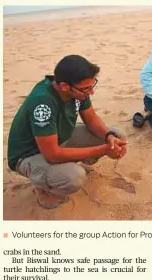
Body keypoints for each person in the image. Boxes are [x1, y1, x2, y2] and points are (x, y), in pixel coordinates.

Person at [7, 55, 127, 209]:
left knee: (117, 135)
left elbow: (91, 118)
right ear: (64, 86)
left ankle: (62, 167)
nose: (91, 92)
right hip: (29, 154)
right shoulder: (43, 102)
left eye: (92, 86)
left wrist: (109, 137)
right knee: (74, 177)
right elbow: (52, 154)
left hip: (58, 138)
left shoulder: (78, 89)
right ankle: (43, 188)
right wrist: (104, 149)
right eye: (86, 88)